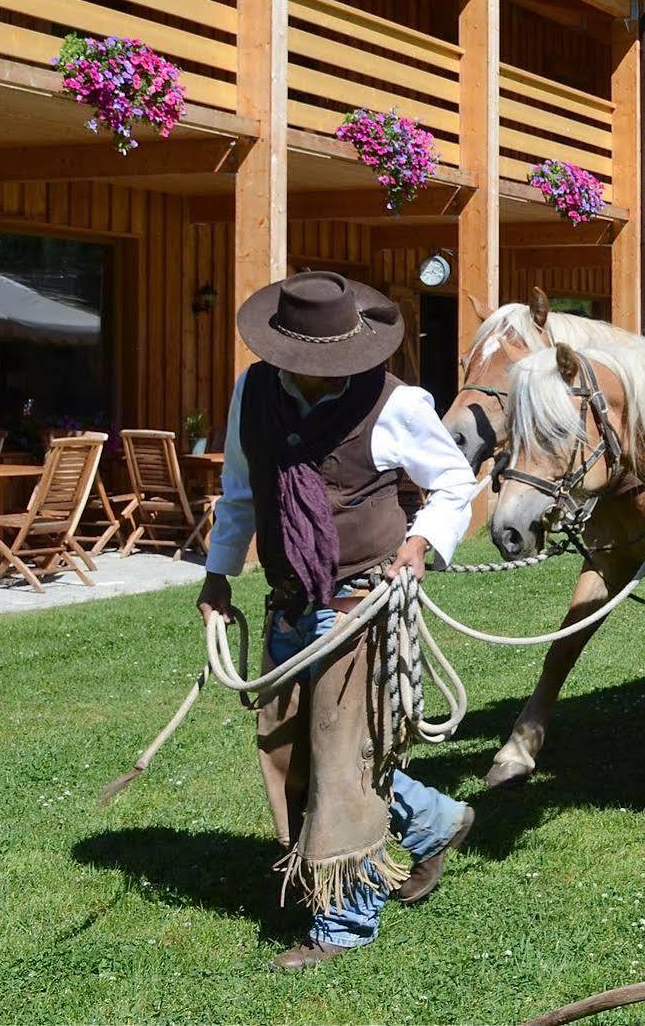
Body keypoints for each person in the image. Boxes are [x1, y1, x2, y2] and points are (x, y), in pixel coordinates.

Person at [197, 271, 480, 970]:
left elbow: (453, 483)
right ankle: (437, 820)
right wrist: (217, 574)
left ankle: (345, 924)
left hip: (359, 599)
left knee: (339, 758)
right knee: (288, 747)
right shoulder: (252, 392)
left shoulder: (396, 404)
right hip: (288, 596)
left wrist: (417, 546)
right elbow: (240, 489)